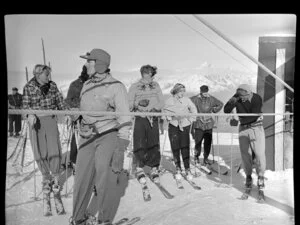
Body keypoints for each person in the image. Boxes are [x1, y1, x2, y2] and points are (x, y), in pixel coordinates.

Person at [70, 48, 131, 225]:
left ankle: (104, 220)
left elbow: (125, 117)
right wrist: (77, 114)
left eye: (89, 61)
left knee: (104, 177)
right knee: (81, 178)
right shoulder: (87, 85)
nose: (86, 64)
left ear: (99, 64)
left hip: (107, 134)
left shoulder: (116, 86)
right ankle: (78, 218)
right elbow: (87, 109)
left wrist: (121, 148)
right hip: (86, 136)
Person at [22, 64, 66, 216]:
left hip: (50, 120)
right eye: (46, 75)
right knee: (40, 150)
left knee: (54, 149)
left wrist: (69, 113)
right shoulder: (29, 87)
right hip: (36, 123)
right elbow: (25, 107)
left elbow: (60, 103)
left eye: (49, 75)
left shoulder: (52, 86)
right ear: (38, 74)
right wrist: (29, 114)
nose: (49, 77)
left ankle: (54, 179)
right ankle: (45, 178)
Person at [224, 84, 266, 195]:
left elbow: (254, 115)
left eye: (244, 96)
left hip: (256, 127)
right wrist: (231, 101)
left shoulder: (256, 98)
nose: (242, 98)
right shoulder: (237, 97)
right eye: (240, 96)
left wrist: (239, 119)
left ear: (249, 93)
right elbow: (226, 110)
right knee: (245, 154)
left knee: (259, 154)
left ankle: (261, 176)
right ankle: (248, 176)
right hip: (243, 129)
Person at [128, 65, 164, 184]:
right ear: (145, 74)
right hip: (140, 117)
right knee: (139, 141)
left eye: (153, 75)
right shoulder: (135, 87)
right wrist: (138, 104)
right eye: (151, 75)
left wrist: (155, 109)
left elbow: (161, 101)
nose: (152, 77)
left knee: (154, 142)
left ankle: (154, 167)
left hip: (153, 117)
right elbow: (129, 104)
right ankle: (139, 167)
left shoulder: (156, 86)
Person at [163, 83, 197, 181]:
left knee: (185, 147)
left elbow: (193, 109)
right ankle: (178, 168)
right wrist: (168, 117)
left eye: (184, 91)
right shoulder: (169, 101)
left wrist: (191, 119)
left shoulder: (187, 100)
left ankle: (187, 169)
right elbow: (164, 112)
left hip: (185, 125)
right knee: (175, 147)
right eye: (181, 91)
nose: (183, 93)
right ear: (176, 91)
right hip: (173, 125)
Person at [65, 64, 90, 173]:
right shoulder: (75, 84)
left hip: (93, 119)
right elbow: (69, 100)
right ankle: (74, 161)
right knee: (76, 140)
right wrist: (80, 106)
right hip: (79, 118)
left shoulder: (97, 83)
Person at [190, 85, 223, 166]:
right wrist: (193, 113)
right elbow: (187, 104)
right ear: (200, 91)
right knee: (198, 142)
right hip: (198, 123)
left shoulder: (211, 98)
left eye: (206, 92)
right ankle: (196, 157)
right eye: (204, 92)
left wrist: (214, 110)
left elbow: (221, 104)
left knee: (207, 142)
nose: (205, 94)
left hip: (208, 124)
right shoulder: (195, 99)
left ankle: (205, 158)